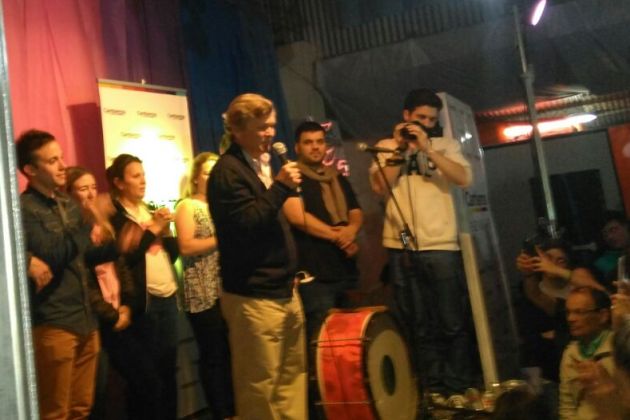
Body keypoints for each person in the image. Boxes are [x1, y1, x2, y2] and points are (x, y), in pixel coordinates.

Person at [208, 93, 306, 420]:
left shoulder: (263, 164)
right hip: (254, 297)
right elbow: (246, 225)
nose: (270, 133)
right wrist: (279, 187)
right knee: (260, 390)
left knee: (291, 383)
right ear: (238, 130)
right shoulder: (228, 172)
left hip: (284, 290)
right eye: (262, 127)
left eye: (272, 126)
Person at [369, 88, 473, 393]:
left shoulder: (446, 145)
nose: (426, 123)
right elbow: (380, 188)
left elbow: (464, 178)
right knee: (417, 321)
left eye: (431, 119)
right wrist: (401, 149)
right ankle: (432, 386)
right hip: (401, 242)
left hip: (441, 244)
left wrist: (428, 149)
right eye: (420, 117)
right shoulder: (387, 146)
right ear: (406, 116)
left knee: (451, 319)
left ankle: (457, 384)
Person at [16, 129, 100, 419]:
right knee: (55, 412)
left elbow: (84, 255)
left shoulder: (67, 204)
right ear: (30, 170)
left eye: (61, 157)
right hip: (55, 322)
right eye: (53, 161)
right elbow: (53, 255)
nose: (63, 166)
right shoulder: (25, 209)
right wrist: (86, 224)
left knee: (81, 407)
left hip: (85, 317)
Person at [283, 121, 363, 419]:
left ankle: (348, 407)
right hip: (314, 274)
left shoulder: (336, 176)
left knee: (348, 348)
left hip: (344, 269)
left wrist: (351, 231)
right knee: (319, 349)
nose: (315, 147)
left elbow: (355, 211)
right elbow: (296, 216)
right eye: (308, 142)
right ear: (297, 147)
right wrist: (338, 236)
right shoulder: (292, 177)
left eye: (319, 141)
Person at [107, 153, 180, 420]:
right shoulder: (117, 218)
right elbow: (125, 257)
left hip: (168, 294)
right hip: (143, 302)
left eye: (143, 175)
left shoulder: (148, 210)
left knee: (169, 368)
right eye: (135, 176)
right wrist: (152, 231)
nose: (143, 180)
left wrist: (166, 229)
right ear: (119, 182)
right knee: (147, 377)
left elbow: (173, 254)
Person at [174, 152, 235, 420]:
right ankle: (220, 412)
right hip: (202, 291)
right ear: (196, 177)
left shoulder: (224, 205)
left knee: (230, 352)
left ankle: (234, 407)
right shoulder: (188, 206)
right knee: (214, 354)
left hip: (227, 288)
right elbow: (187, 246)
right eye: (208, 172)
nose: (212, 177)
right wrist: (223, 238)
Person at [558, 287, 614, 420]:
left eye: (579, 312)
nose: (571, 318)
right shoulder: (570, 354)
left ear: (603, 315)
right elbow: (567, 406)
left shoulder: (619, 348)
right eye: (568, 312)